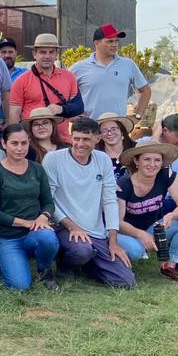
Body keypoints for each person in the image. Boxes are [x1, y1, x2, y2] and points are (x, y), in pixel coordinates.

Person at [41, 117, 135, 288]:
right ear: (70, 137)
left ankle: (87, 264)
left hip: (95, 231)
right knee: (81, 250)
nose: (80, 144)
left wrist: (113, 241)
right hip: (63, 226)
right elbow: (48, 199)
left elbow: (110, 201)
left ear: (97, 139)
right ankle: (66, 265)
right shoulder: (53, 159)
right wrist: (72, 226)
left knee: (126, 281)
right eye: (76, 138)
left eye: (86, 139)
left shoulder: (103, 159)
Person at [0, 123, 60, 292]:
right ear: (3, 144)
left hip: (34, 232)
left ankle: (44, 269)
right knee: (20, 286)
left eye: (24, 143)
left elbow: (48, 202)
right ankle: (4, 265)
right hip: (7, 237)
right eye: (14, 143)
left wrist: (43, 217)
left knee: (48, 238)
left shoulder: (37, 169)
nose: (20, 148)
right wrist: (24, 223)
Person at [115, 137, 178, 284]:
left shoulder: (166, 175)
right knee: (136, 250)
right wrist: (140, 234)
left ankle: (172, 265)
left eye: (157, 160)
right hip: (125, 232)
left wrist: (172, 215)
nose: (152, 165)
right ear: (136, 161)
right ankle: (112, 262)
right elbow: (118, 222)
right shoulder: (124, 183)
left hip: (151, 228)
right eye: (147, 159)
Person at [70, 23, 151, 120]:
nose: (115, 45)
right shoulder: (79, 68)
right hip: (89, 128)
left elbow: (145, 90)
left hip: (117, 128)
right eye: (110, 41)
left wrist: (138, 116)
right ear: (97, 43)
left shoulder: (128, 65)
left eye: (116, 41)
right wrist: (71, 115)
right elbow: (63, 93)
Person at [9, 33, 81, 142]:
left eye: (51, 52)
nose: (47, 56)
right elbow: (14, 115)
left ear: (57, 54)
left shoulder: (69, 77)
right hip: (32, 143)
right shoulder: (21, 81)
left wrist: (61, 109)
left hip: (63, 141)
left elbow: (78, 107)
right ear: (34, 54)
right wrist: (20, 141)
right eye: (43, 52)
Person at [97, 111, 136, 183]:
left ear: (122, 131)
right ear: (100, 135)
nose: (109, 133)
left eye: (114, 129)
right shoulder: (95, 155)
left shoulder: (135, 150)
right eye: (104, 130)